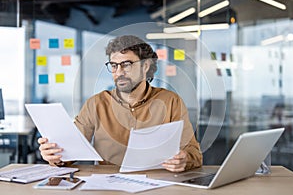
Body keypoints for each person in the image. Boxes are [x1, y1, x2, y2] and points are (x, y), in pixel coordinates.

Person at [38, 35, 203, 172]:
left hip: (156, 184)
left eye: (126, 65)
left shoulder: (170, 101)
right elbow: (70, 152)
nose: (119, 73)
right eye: (114, 66)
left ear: (146, 66)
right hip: (108, 187)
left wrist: (185, 159)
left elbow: (194, 153)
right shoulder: (96, 104)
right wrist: (56, 155)